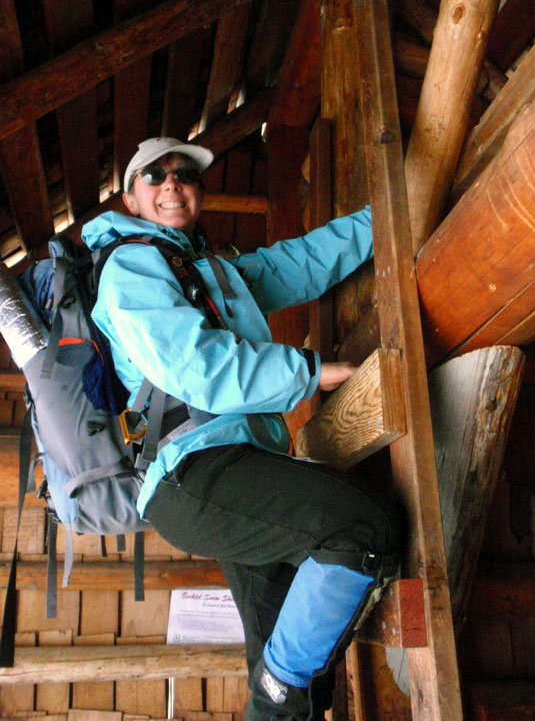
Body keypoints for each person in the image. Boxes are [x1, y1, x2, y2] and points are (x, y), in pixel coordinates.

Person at [82, 137, 404, 721]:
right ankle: (273, 702)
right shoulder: (129, 267)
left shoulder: (207, 272)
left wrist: (385, 213)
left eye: (184, 174)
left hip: (236, 470)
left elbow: (301, 263)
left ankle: (278, 706)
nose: (172, 183)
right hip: (196, 475)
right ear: (129, 200)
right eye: (153, 177)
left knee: (293, 671)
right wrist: (310, 372)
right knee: (362, 529)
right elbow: (195, 367)